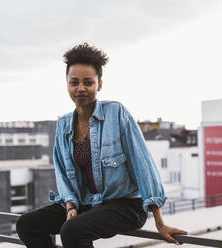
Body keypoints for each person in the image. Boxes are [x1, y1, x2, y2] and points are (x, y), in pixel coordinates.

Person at [16, 43, 187, 248]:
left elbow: (142, 164)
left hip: (125, 205)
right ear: (67, 84)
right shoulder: (63, 125)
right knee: (27, 224)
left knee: (71, 232)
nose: (81, 88)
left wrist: (160, 223)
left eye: (88, 82)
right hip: (87, 204)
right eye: (74, 82)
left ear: (99, 84)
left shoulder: (116, 113)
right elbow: (62, 173)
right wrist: (70, 206)